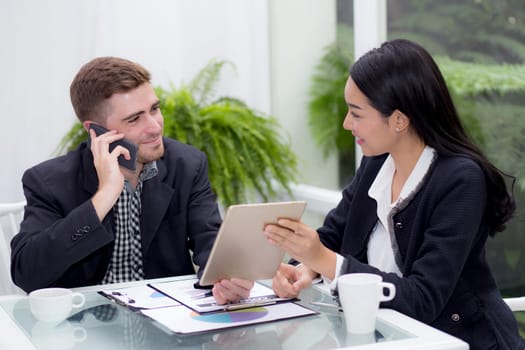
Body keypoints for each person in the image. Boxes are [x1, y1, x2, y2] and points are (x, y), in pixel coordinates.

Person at [264, 39, 524, 349]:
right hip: (386, 336)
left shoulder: (461, 180)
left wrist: (322, 259)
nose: (347, 123)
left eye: (357, 113)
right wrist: (302, 268)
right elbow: (332, 236)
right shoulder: (376, 164)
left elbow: (425, 299)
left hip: (462, 341)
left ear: (399, 119)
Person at [11, 56, 252, 304]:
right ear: (96, 131)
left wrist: (227, 278)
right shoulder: (49, 181)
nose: (155, 127)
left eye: (154, 109)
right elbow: (27, 274)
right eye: (135, 118)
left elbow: (210, 241)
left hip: (167, 319)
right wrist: (104, 196)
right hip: (86, 328)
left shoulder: (187, 164)